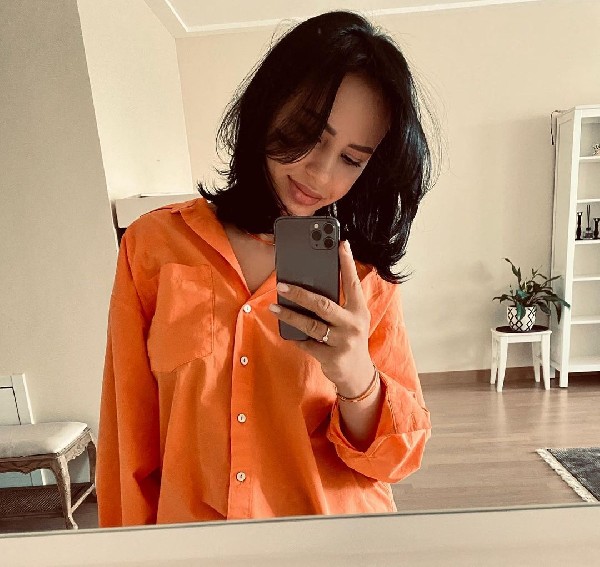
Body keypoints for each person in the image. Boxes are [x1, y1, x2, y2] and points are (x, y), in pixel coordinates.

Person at [97, 10, 437, 527]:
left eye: (351, 159)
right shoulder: (154, 247)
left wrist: (356, 378)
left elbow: (398, 460)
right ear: (266, 107)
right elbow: (127, 442)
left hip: (332, 545)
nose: (319, 173)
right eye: (307, 133)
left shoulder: (362, 276)